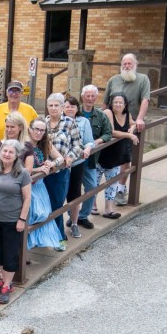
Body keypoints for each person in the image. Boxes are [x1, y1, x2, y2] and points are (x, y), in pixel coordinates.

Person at [0, 112, 34, 283]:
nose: (9, 129)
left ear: (20, 128)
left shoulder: (26, 148)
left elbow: (27, 175)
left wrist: (10, 178)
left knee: (10, 245)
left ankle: (8, 282)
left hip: (13, 208)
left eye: (13, 126)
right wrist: (0, 176)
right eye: (8, 126)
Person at [103, 53, 150, 205]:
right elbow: (105, 103)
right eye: (124, 63)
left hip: (130, 123)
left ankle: (121, 189)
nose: (127, 66)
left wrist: (140, 119)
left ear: (135, 64)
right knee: (108, 157)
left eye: (130, 63)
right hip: (112, 123)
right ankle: (107, 191)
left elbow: (145, 99)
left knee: (125, 156)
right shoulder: (113, 80)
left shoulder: (142, 79)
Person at [44, 93, 83, 251]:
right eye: (51, 105)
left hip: (60, 172)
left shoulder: (69, 122)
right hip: (45, 171)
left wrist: (70, 158)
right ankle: (46, 236)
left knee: (57, 205)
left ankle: (59, 237)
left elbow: (78, 146)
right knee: (44, 205)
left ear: (62, 107)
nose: (53, 108)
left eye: (57, 105)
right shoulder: (43, 123)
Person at [97, 93, 139, 220]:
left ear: (125, 104)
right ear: (111, 103)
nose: (118, 105)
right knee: (94, 184)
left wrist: (132, 127)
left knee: (112, 183)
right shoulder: (108, 112)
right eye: (115, 102)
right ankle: (91, 208)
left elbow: (133, 123)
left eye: (121, 102)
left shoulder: (127, 115)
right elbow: (111, 131)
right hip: (102, 155)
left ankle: (108, 210)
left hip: (116, 156)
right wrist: (129, 135)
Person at [27, 117, 63, 251]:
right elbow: (20, 167)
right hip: (28, 186)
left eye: (42, 130)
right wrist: (38, 169)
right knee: (30, 215)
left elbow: (60, 157)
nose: (39, 133)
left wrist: (52, 163)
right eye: (36, 129)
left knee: (42, 214)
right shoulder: (24, 145)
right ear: (30, 130)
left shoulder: (45, 143)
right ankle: (25, 249)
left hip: (40, 186)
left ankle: (38, 241)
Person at [78, 85, 112, 224]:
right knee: (72, 191)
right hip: (73, 160)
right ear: (82, 96)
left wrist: (97, 141)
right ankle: (72, 217)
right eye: (87, 95)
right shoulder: (73, 111)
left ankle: (83, 216)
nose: (90, 99)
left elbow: (108, 133)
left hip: (90, 161)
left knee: (92, 188)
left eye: (93, 96)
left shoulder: (101, 115)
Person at [63, 96, 95, 239]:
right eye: (67, 106)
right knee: (59, 194)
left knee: (75, 194)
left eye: (73, 106)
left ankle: (74, 223)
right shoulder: (58, 121)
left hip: (77, 163)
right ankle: (56, 225)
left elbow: (89, 141)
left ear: (77, 108)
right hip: (60, 165)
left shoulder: (84, 122)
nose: (70, 109)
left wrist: (87, 149)